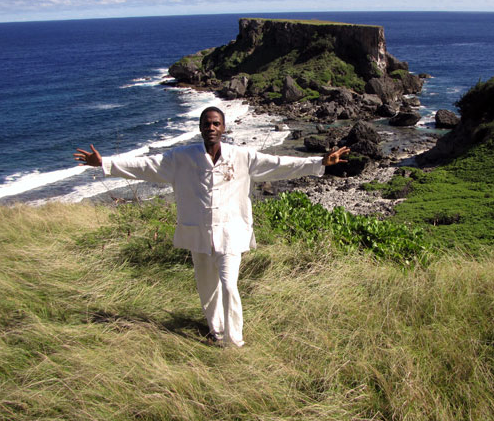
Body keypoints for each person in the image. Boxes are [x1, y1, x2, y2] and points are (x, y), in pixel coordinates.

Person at [74, 106, 349, 347]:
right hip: (199, 234)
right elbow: (146, 165)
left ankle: (234, 341)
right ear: (200, 128)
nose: (212, 127)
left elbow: (279, 165)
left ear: (224, 128)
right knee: (207, 288)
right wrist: (105, 163)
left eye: (216, 123)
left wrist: (319, 162)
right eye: (207, 124)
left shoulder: (242, 157)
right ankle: (216, 331)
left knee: (229, 286)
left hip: (231, 234)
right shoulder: (181, 158)